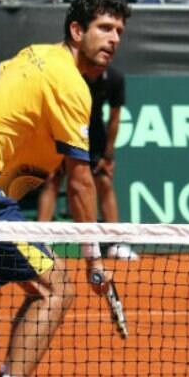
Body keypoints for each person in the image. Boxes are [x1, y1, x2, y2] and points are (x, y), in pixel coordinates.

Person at [0, 0, 130, 377]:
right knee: (59, 289)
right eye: (104, 28)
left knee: (44, 287)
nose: (114, 38)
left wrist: (23, 132)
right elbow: (81, 181)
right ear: (76, 30)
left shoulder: (33, 52)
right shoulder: (71, 85)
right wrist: (94, 259)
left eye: (119, 30)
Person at [36, 66, 137, 260]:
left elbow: (115, 118)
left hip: (94, 137)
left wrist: (108, 155)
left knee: (105, 183)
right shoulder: (69, 74)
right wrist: (49, 147)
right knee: (52, 182)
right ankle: (40, 242)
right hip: (62, 130)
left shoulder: (114, 78)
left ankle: (115, 244)